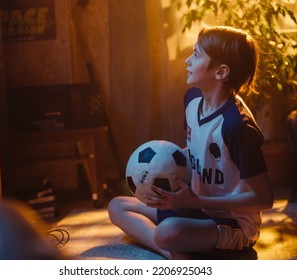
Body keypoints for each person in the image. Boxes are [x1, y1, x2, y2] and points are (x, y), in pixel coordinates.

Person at [108, 26, 273, 260]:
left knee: (167, 231)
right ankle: (176, 255)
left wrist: (197, 200)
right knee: (117, 206)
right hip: (194, 205)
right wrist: (161, 166)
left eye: (196, 56)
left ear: (221, 72)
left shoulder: (237, 128)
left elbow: (265, 199)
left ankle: (184, 251)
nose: (187, 61)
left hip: (231, 222)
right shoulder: (192, 100)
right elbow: (195, 149)